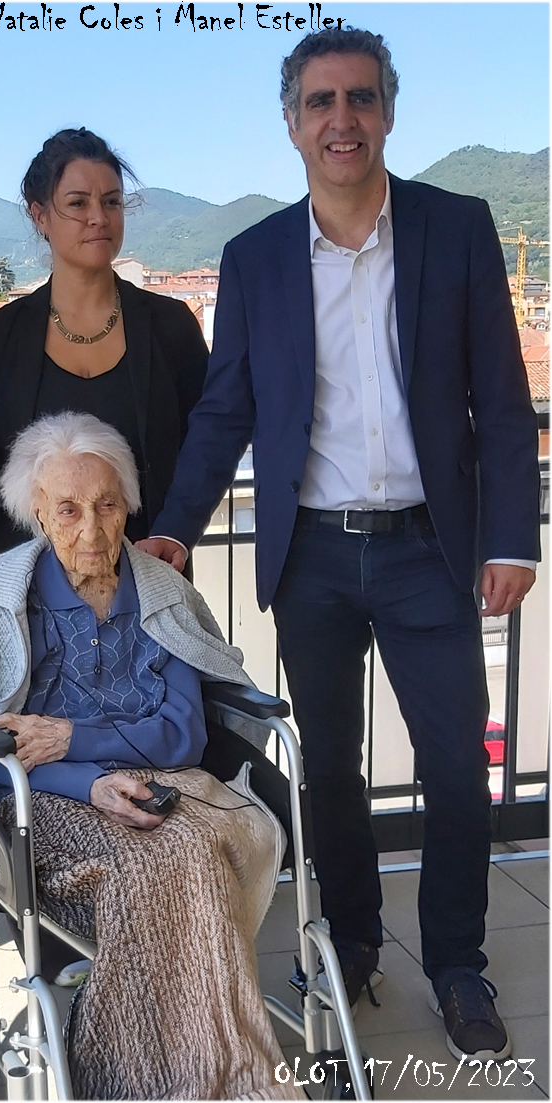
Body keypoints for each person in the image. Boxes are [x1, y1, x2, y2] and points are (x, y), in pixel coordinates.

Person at [138, 28, 540, 1063]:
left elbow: (500, 397)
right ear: (292, 123)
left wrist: (514, 537)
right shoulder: (257, 256)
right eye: (320, 102)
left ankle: (457, 960)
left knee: (456, 767)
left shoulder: (455, 229)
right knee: (330, 770)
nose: (341, 119)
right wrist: (177, 521)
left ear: (389, 113)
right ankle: (352, 939)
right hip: (310, 554)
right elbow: (225, 410)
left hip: (431, 551)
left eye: (360, 98)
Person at [0, 412, 301, 1101]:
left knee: (195, 849)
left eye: (107, 504)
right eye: (69, 509)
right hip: (45, 800)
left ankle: (207, 1069)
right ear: (37, 512)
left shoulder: (162, 593)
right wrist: (87, 780)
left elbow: (184, 733)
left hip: (167, 783)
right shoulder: (5, 598)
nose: (91, 529)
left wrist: (75, 737)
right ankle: (174, 1076)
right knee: (163, 864)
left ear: (128, 505)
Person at [0, 127, 209, 560]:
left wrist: (178, 533)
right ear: (40, 215)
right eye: (78, 203)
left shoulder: (171, 328)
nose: (98, 217)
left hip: (147, 582)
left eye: (112, 202)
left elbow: (205, 447)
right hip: (31, 594)